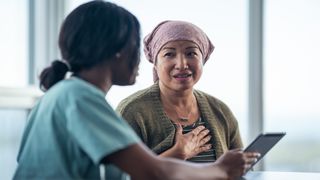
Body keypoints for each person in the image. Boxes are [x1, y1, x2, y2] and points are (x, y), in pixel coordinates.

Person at [13, 1, 259, 180]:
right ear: (116, 50)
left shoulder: (61, 95)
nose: (141, 58)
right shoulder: (79, 99)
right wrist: (220, 169)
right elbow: (153, 171)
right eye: (135, 45)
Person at [117, 20, 243, 163]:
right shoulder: (133, 111)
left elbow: (242, 170)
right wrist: (176, 154)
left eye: (191, 53)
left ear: (203, 60)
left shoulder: (221, 111)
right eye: (169, 54)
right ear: (155, 63)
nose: (182, 64)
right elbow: (118, 175)